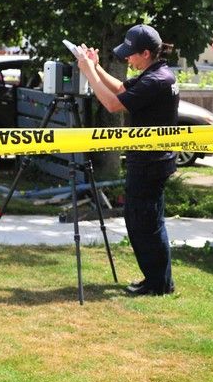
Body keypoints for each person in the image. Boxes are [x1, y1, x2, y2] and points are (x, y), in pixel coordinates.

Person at [76, 24, 180, 295]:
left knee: (145, 221)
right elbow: (122, 88)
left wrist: (87, 72)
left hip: (151, 162)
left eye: (131, 54)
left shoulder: (157, 80)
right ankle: (157, 279)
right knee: (143, 220)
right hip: (148, 159)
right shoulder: (155, 74)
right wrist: (96, 67)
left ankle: (159, 284)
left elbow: (113, 104)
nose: (127, 59)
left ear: (146, 53)